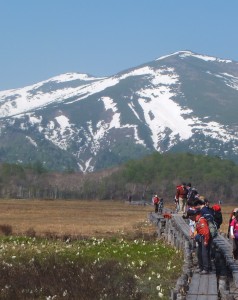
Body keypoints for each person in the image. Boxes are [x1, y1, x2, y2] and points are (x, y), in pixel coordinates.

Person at [187, 209, 211, 274]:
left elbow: (206, 232)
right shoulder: (197, 221)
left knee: (204, 254)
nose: (191, 220)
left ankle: (206, 269)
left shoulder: (202, 220)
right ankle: (201, 267)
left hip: (204, 238)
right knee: (199, 253)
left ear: (193, 216)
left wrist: (206, 241)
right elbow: (197, 230)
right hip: (200, 238)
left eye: (190, 218)